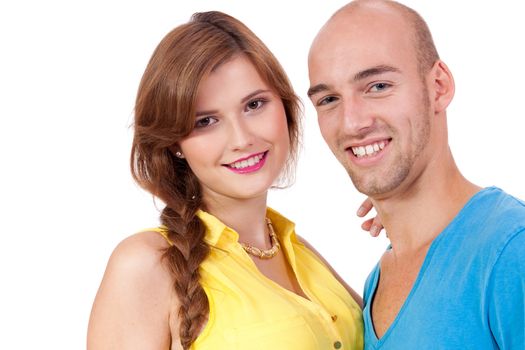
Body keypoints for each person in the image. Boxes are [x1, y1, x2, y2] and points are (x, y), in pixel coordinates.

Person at [87, 11, 363, 350]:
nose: (241, 138)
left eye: (254, 105)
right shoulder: (146, 264)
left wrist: (402, 216)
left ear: (284, 105)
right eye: (205, 121)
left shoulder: (303, 254)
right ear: (174, 143)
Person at [307, 0, 525, 349]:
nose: (352, 123)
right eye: (329, 99)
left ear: (438, 86)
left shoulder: (511, 251)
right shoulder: (377, 280)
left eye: (378, 86)